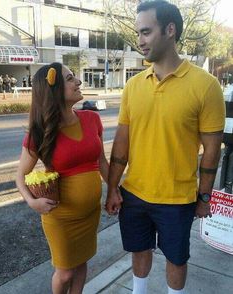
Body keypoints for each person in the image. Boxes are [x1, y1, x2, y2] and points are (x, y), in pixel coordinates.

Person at [105, 1, 225, 294]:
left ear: (170, 30)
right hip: (134, 193)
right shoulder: (133, 86)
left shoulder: (206, 86)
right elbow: (122, 143)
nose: (140, 41)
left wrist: (205, 197)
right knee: (139, 250)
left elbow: (212, 150)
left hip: (178, 198)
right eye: (138, 33)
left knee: (176, 258)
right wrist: (112, 187)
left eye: (146, 31)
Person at [16, 62, 109, 294]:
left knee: (82, 261)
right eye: (70, 78)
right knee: (65, 271)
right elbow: (21, 175)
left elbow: (102, 162)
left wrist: (115, 190)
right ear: (53, 89)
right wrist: (32, 201)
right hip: (61, 217)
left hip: (90, 213)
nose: (78, 81)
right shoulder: (41, 130)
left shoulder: (91, 119)